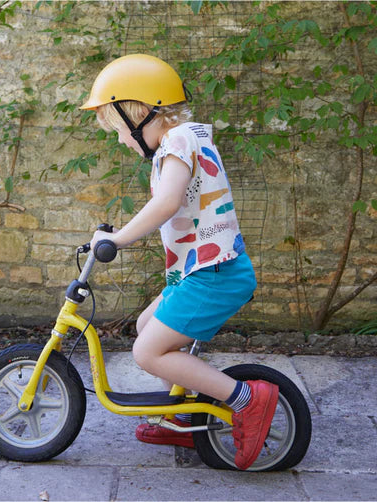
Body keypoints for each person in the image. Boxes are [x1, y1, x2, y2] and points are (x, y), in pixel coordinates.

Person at [81, 54, 278, 471]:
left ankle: (247, 399)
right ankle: (180, 415)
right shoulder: (181, 141)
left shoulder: (179, 140)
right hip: (200, 272)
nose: (120, 140)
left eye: (118, 130)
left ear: (140, 113)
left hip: (214, 275)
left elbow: (166, 203)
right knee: (146, 327)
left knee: (147, 352)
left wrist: (116, 239)